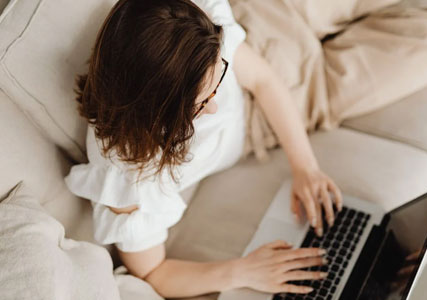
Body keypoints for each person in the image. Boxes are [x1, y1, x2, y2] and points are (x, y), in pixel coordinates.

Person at [64, 0, 344, 298]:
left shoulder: (197, 25)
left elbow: (262, 80)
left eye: (217, 81)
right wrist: (244, 271)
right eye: (199, 103)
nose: (214, 106)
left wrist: (305, 167)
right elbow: (152, 272)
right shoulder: (127, 174)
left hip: (266, 40)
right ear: (158, 112)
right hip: (259, 121)